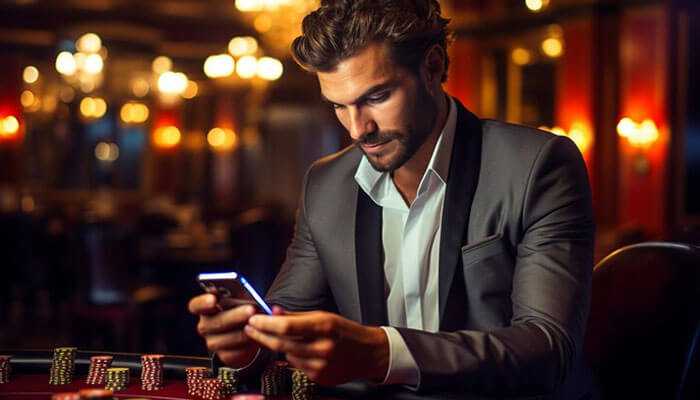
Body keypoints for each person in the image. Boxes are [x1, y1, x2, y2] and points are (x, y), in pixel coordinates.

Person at [189, 0, 595, 397]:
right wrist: (249, 346)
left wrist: (384, 354)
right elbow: (284, 322)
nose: (357, 129)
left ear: (433, 67)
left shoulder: (537, 166)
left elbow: (548, 348)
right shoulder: (326, 183)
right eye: (339, 107)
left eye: (377, 97)